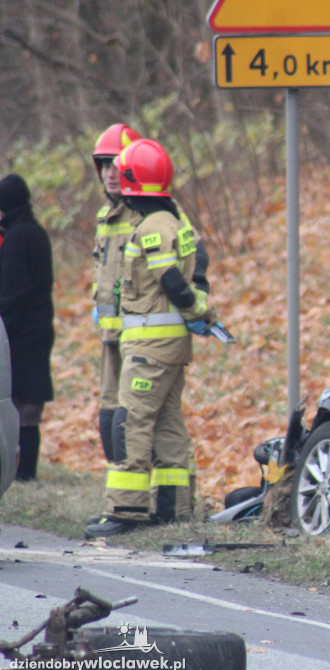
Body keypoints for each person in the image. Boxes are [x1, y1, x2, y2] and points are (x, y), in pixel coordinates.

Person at [85, 139, 215, 538]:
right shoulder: (173, 221)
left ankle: (126, 509)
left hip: (150, 350)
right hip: (170, 349)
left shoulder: (153, 229)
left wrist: (197, 311)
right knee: (168, 423)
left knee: (131, 422)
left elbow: (172, 282)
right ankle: (172, 506)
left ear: (131, 184)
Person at [92, 123, 142, 463]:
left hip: (140, 337)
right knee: (108, 415)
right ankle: (118, 493)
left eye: (117, 164)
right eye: (104, 165)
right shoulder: (104, 217)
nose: (111, 173)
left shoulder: (145, 214)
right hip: (111, 336)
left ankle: (141, 496)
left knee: (133, 418)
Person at [0, 174, 55, 481]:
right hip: (37, 329)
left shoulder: (18, 239)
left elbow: (12, 293)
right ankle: (24, 473)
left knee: (21, 405)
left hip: (21, 335)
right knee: (27, 405)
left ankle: (23, 474)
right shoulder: (34, 232)